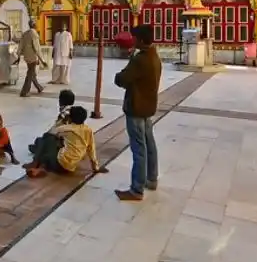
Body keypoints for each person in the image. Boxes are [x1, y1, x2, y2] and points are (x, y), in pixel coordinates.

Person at [114, 25, 162, 202]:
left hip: (136, 107)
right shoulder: (153, 55)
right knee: (149, 143)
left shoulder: (140, 59)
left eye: (134, 38)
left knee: (138, 148)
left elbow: (122, 79)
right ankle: (151, 178)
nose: (132, 40)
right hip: (148, 107)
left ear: (140, 40)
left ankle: (136, 189)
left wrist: (126, 68)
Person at [24, 106, 106, 178]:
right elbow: (91, 150)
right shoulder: (88, 130)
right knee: (48, 143)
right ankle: (36, 151)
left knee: (46, 138)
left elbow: (50, 133)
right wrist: (95, 167)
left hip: (59, 164)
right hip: (71, 167)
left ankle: (38, 164)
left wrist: (61, 121)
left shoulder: (66, 128)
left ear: (70, 118)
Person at [16, 20, 45, 97]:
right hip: (33, 57)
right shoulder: (34, 34)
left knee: (32, 73)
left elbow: (20, 45)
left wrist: (18, 55)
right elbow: (37, 48)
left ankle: (39, 87)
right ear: (34, 25)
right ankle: (24, 91)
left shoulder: (25, 34)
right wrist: (42, 59)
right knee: (30, 74)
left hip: (26, 57)